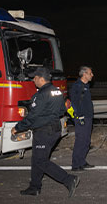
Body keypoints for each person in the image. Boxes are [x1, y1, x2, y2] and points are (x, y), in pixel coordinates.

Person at [12, 67, 80, 196]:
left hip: (44, 131)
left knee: (40, 161)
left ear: (41, 79)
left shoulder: (40, 95)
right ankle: (34, 187)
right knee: (37, 158)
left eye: (35, 78)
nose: (33, 80)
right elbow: (61, 110)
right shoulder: (57, 92)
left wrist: (18, 127)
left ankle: (68, 179)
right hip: (54, 129)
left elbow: (33, 116)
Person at [70, 66, 94, 171]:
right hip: (81, 117)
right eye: (90, 73)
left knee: (86, 141)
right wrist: (79, 116)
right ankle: (76, 164)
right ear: (84, 74)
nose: (92, 75)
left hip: (88, 117)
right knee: (80, 140)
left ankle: (82, 161)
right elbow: (74, 103)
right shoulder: (77, 86)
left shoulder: (85, 86)